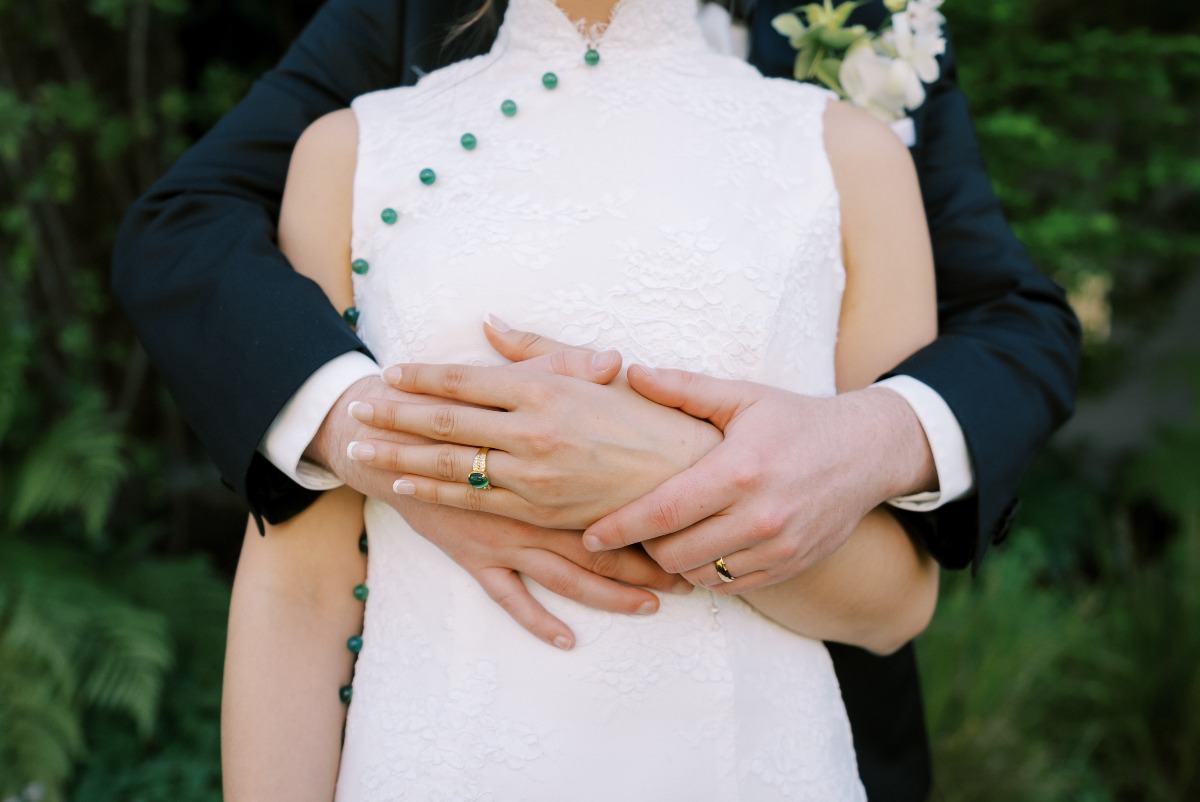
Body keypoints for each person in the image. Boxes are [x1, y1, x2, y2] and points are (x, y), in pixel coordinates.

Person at [111, 0, 1081, 798]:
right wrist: (393, 442)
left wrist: (672, 475)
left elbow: (897, 596)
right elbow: (300, 583)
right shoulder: (352, 151)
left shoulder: (850, 154)